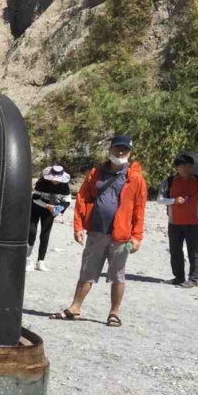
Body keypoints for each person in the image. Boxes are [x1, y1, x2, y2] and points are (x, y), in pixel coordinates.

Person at [51, 135, 147, 328]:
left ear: (130, 153)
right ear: (110, 150)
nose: (121, 152)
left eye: (125, 150)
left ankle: (114, 313)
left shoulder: (135, 177)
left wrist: (137, 237)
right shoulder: (96, 173)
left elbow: (140, 208)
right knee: (87, 271)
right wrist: (78, 226)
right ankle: (75, 308)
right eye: (117, 148)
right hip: (96, 231)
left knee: (118, 275)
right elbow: (82, 198)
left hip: (122, 236)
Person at [157, 154, 198, 288]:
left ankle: (193, 280)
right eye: (184, 166)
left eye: (190, 166)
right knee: (175, 251)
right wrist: (174, 200)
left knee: (194, 252)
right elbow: (160, 200)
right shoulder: (169, 181)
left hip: (193, 223)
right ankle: (179, 278)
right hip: (174, 222)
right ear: (177, 167)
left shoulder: (197, 180)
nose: (187, 168)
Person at [26, 164, 72, 272]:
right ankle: (27, 260)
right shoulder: (42, 183)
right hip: (36, 208)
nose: (55, 181)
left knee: (45, 235)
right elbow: (35, 198)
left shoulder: (64, 186)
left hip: (50, 212)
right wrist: (47, 206)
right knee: (31, 233)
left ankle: (40, 262)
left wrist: (59, 208)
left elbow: (67, 200)